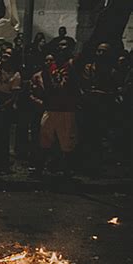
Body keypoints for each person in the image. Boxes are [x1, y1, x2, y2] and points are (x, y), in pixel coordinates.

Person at [30, 47, 81, 177]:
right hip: (51, 108)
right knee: (44, 138)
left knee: (67, 142)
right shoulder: (51, 68)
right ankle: (39, 168)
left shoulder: (70, 66)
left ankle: (67, 171)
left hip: (66, 109)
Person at [80, 42, 119, 174]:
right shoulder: (89, 68)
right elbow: (86, 88)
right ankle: (84, 165)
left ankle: (95, 165)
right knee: (86, 136)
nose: (101, 54)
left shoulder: (112, 72)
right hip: (89, 108)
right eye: (99, 51)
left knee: (99, 138)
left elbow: (112, 91)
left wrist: (101, 93)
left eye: (104, 52)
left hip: (103, 109)